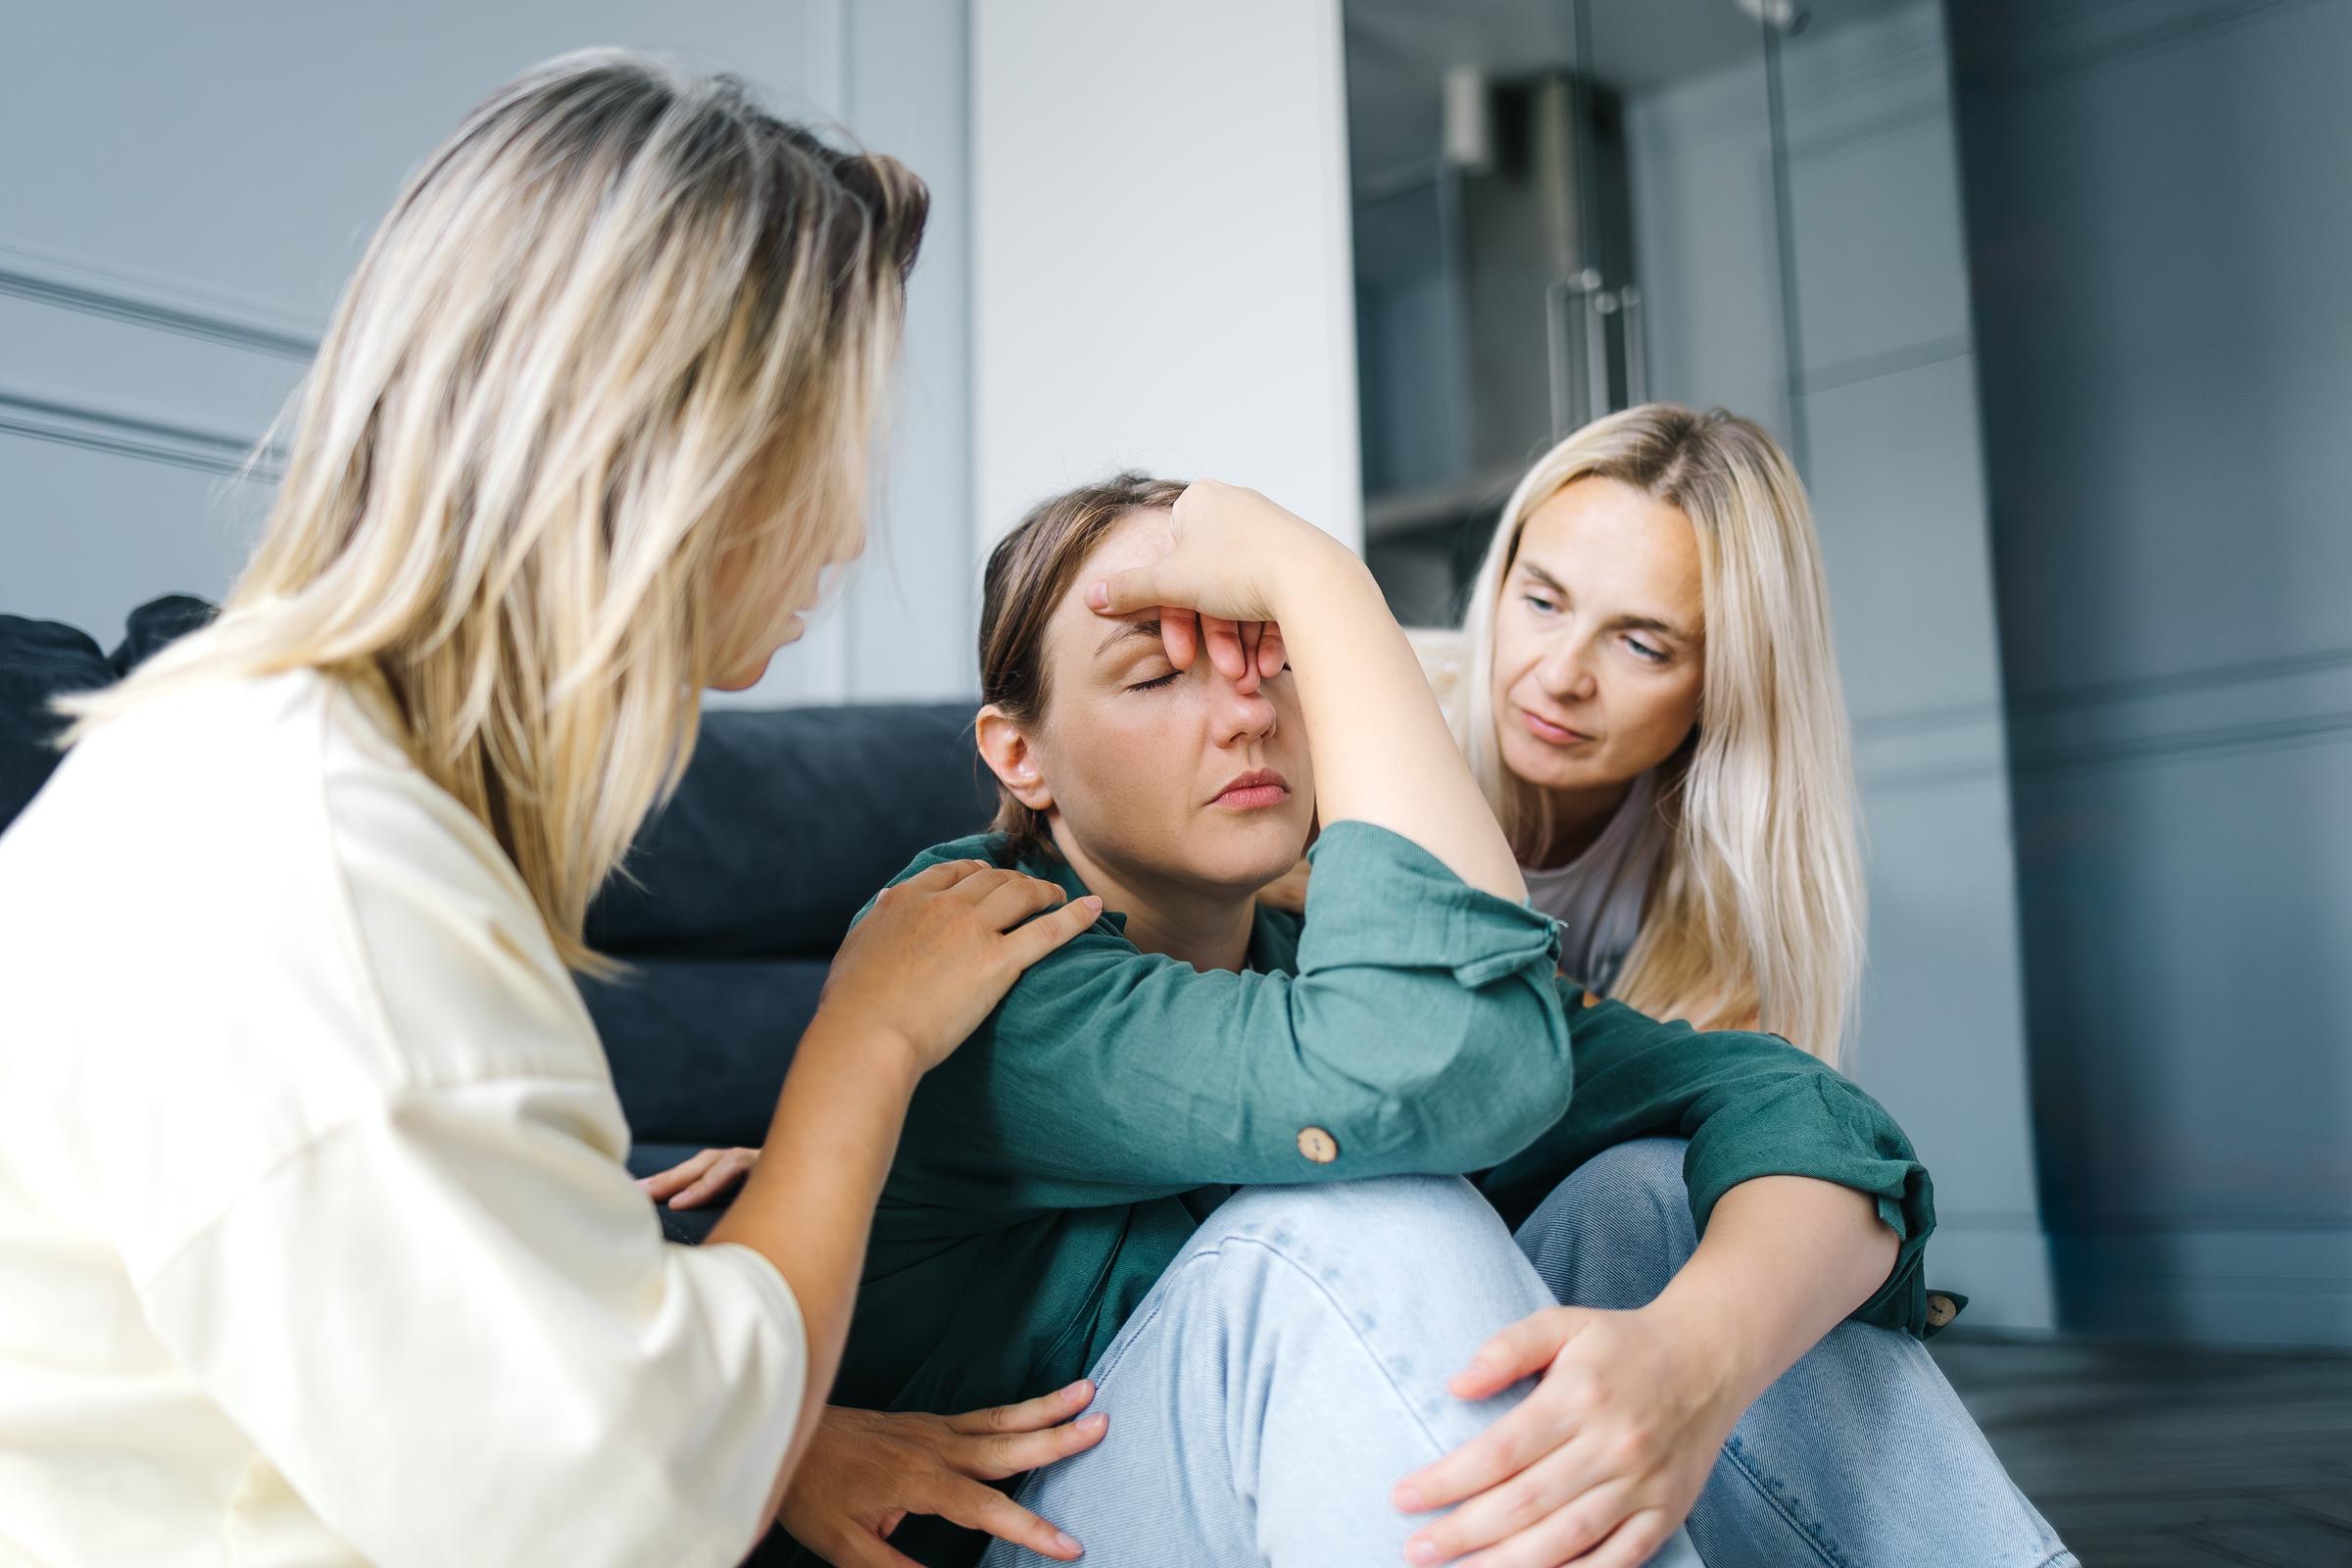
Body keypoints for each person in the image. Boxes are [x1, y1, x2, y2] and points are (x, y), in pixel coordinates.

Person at [0, 52, 1102, 1568]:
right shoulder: (313, 872)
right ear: (677, 446)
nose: (849, 527)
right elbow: (627, 1510)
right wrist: (867, 1041)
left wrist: (652, 1308)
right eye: (831, 453)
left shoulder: (307, 780)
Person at [660, 475, 2073, 1567]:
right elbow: (1432, 1067)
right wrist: (1314, 577)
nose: (1245, 716)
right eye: (1157, 677)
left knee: (1656, 1201)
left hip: (1267, 1506)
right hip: (1019, 1542)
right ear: (1019, 757)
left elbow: (1793, 1106)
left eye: (1269, 659)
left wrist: (1695, 1358)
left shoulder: (1299, 945)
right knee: (1362, 1218)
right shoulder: (987, 951)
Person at [1264, 405, 1862, 1059]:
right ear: (1499, 579)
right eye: (1543, 603)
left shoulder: (1742, 885)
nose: (1560, 676)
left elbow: (1711, 1096)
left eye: (1639, 645)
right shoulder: (1338, 723)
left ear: (1727, 682)